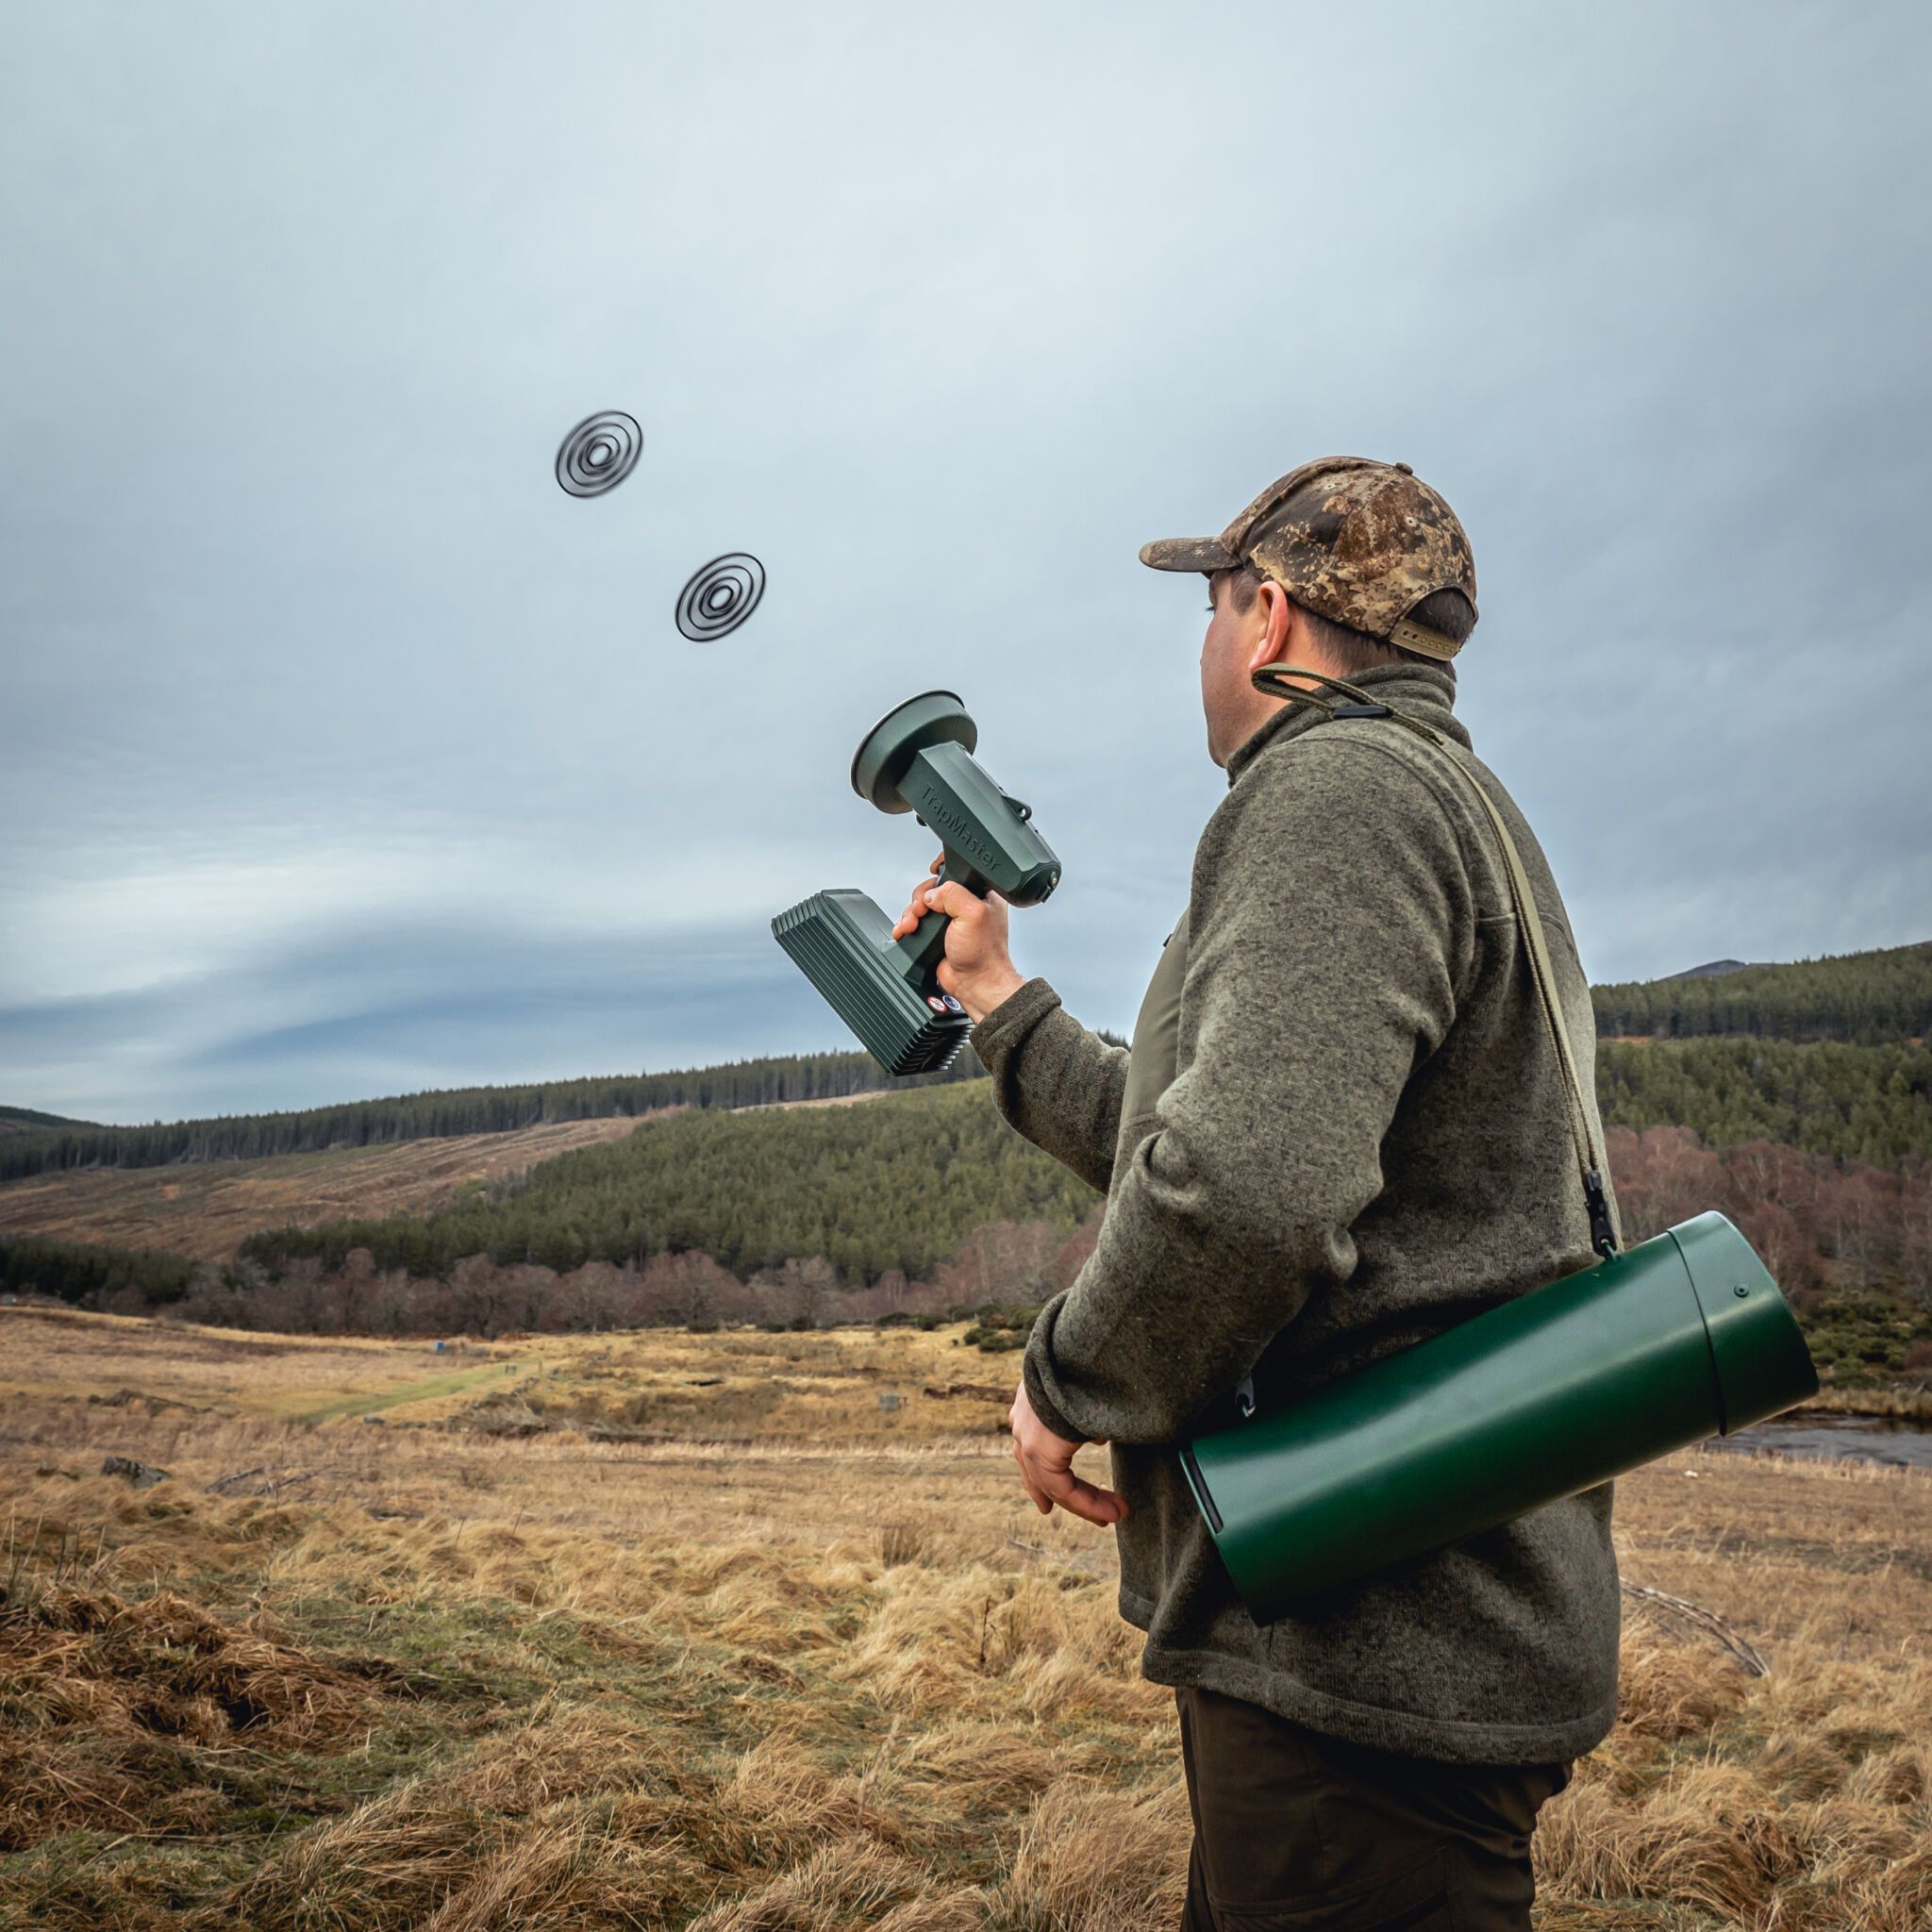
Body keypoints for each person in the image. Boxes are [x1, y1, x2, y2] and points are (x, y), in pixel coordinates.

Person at [890, 457, 1622, 1932]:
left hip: (1366, 1652)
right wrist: (1001, 1004)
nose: (1207, 645)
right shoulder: (1441, 801)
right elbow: (1218, 1139)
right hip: (1376, 1630)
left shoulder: (1334, 799)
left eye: (1212, 609)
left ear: (1268, 619)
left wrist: (1067, 1379)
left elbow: (1246, 1193)